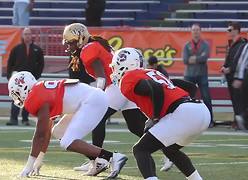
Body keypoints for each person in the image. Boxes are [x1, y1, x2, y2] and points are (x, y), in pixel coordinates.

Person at [111, 47, 210, 180]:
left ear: (124, 64)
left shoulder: (128, 78)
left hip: (184, 113)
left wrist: (155, 117)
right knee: (170, 150)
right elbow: (191, 87)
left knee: (140, 149)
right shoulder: (153, 72)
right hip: (200, 110)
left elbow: (156, 88)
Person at [62, 23, 148, 175]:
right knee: (135, 126)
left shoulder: (89, 49)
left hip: (117, 86)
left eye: (71, 41)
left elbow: (101, 76)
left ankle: (97, 161)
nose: (68, 45)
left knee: (97, 118)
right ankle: (169, 149)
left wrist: (98, 95)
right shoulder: (94, 44)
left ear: (81, 38)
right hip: (124, 84)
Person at [8, 71, 128, 179]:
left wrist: (28, 167)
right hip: (88, 100)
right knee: (58, 132)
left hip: (92, 101)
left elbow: (40, 135)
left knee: (66, 141)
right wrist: (38, 160)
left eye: (16, 93)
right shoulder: (41, 90)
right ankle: (99, 161)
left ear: (23, 88)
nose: (17, 97)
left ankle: (112, 157)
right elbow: (46, 131)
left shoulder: (37, 97)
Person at [6, 27, 44, 126]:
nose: (27, 36)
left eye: (29, 34)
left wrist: (36, 76)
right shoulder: (16, 49)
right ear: (22, 36)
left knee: (28, 100)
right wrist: (9, 76)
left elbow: (41, 64)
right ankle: (13, 119)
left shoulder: (37, 50)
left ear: (32, 36)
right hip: (18, 80)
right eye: (25, 34)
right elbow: (10, 63)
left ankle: (25, 119)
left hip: (30, 80)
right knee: (16, 98)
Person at [183, 23, 214, 127]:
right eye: (194, 30)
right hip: (189, 75)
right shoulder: (187, 45)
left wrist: (194, 58)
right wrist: (199, 58)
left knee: (206, 97)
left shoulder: (205, 45)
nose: (195, 32)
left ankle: (210, 120)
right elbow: (185, 60)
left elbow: (205, 57)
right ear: (191, 32)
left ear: (200, 31)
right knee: (187, 99)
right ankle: (187, 120)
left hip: (202, 74)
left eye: (197, 30)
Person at [220, 22, 248, 129]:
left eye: (230, 30)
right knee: (234, 100)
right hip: (230, 76)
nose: (228, 32)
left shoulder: (242, 43)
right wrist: (224, 67)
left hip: (237, 76)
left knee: (239, 100)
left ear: (236, 30)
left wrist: (229, 69)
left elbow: (240, 61)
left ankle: (241, 122)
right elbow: (229, 59)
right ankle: (237, 121)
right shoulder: (232, 43)